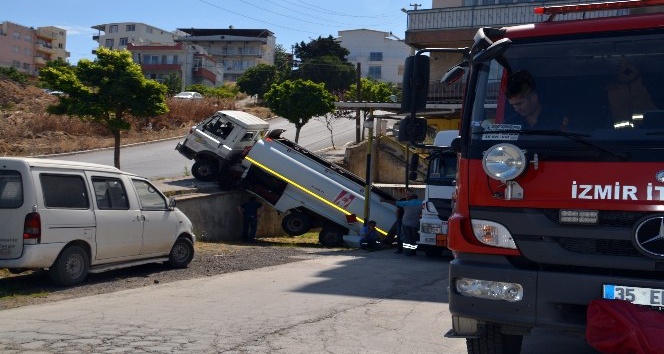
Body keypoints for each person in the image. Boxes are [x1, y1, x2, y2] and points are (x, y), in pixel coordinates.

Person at [381, 188, 422, 256]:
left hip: (406, 223)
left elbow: (395, 203)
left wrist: (385, 200)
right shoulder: (421, 203)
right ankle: (413, 251)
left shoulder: (407, 203)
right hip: (415, 224)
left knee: (407, 239)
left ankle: (407, 252)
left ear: (411, 198)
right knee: (413, 238)